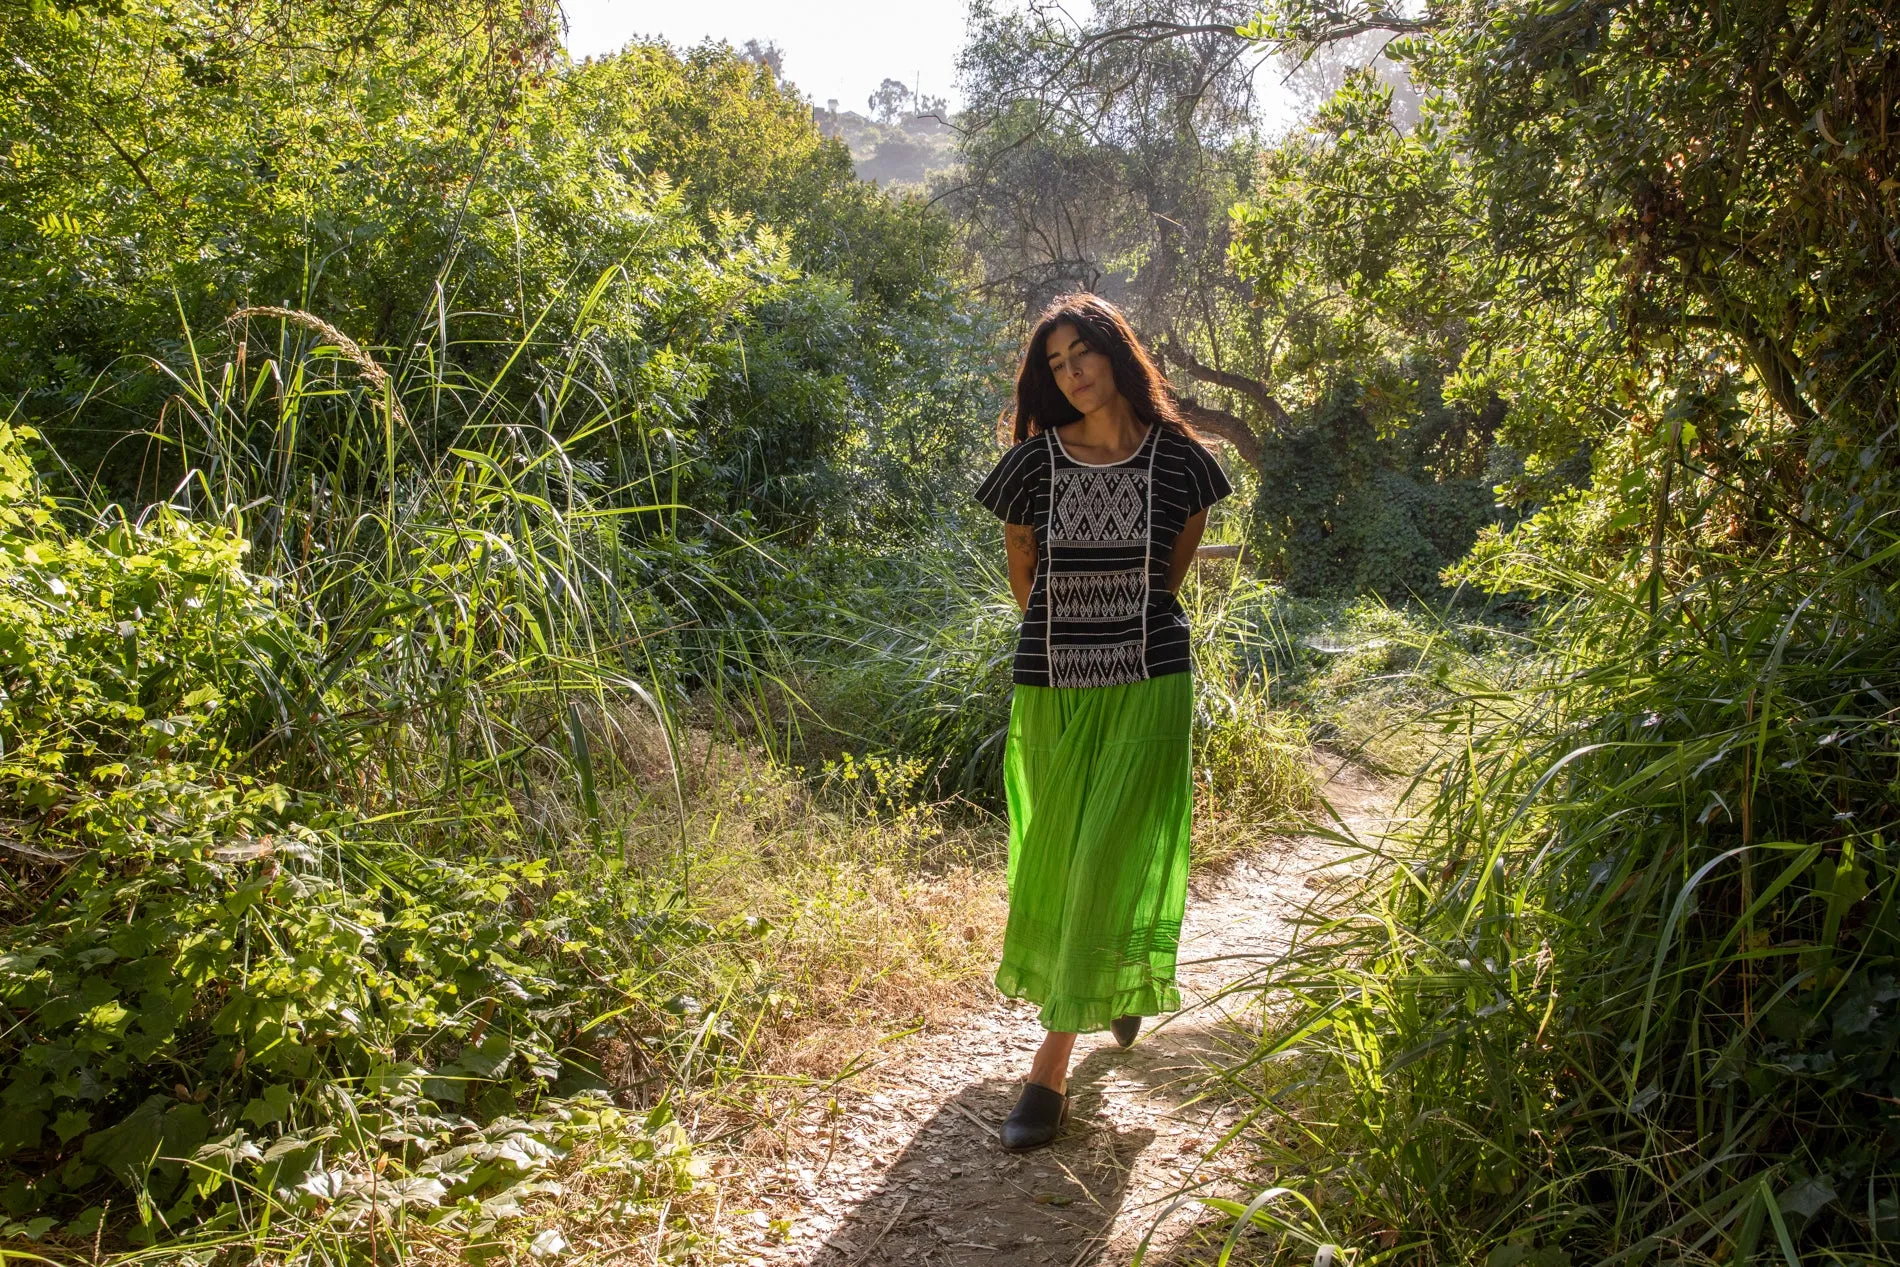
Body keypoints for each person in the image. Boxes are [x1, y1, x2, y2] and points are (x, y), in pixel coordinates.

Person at [972, 293, 1233, 1151]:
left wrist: (1126, 623)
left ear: (1118, 352)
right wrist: (1069, 635)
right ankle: (1110, 974)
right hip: (1052, 681)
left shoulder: (1182, 462)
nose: (1072, 373)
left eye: (1082, 352)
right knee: (1063, 842)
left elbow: (1176, 557)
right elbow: (1022, 564)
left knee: (1111, 841)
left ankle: (1048, 1069)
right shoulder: (1034, 464)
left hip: (1150, 676)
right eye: (1055, 363)